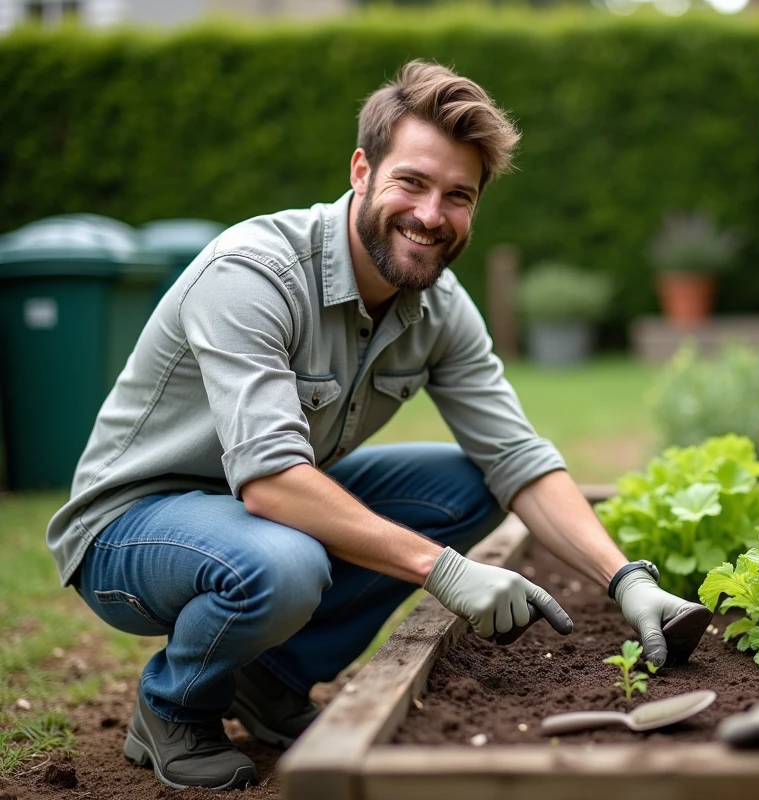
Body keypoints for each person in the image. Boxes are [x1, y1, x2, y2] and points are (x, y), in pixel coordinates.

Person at [46, 61, 711, 791]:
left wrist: (625, 580)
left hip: (255, 518)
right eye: (413, 183)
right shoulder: (253, 274)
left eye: (458, 196)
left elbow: (517, 456)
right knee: (282, 565)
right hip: (130, 530)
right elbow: (270, 485)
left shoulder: (439, 308)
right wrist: (445, 570)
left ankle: (268, 681)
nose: (432, 215)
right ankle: (172, 705)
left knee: (468, 485)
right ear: (362, 170)